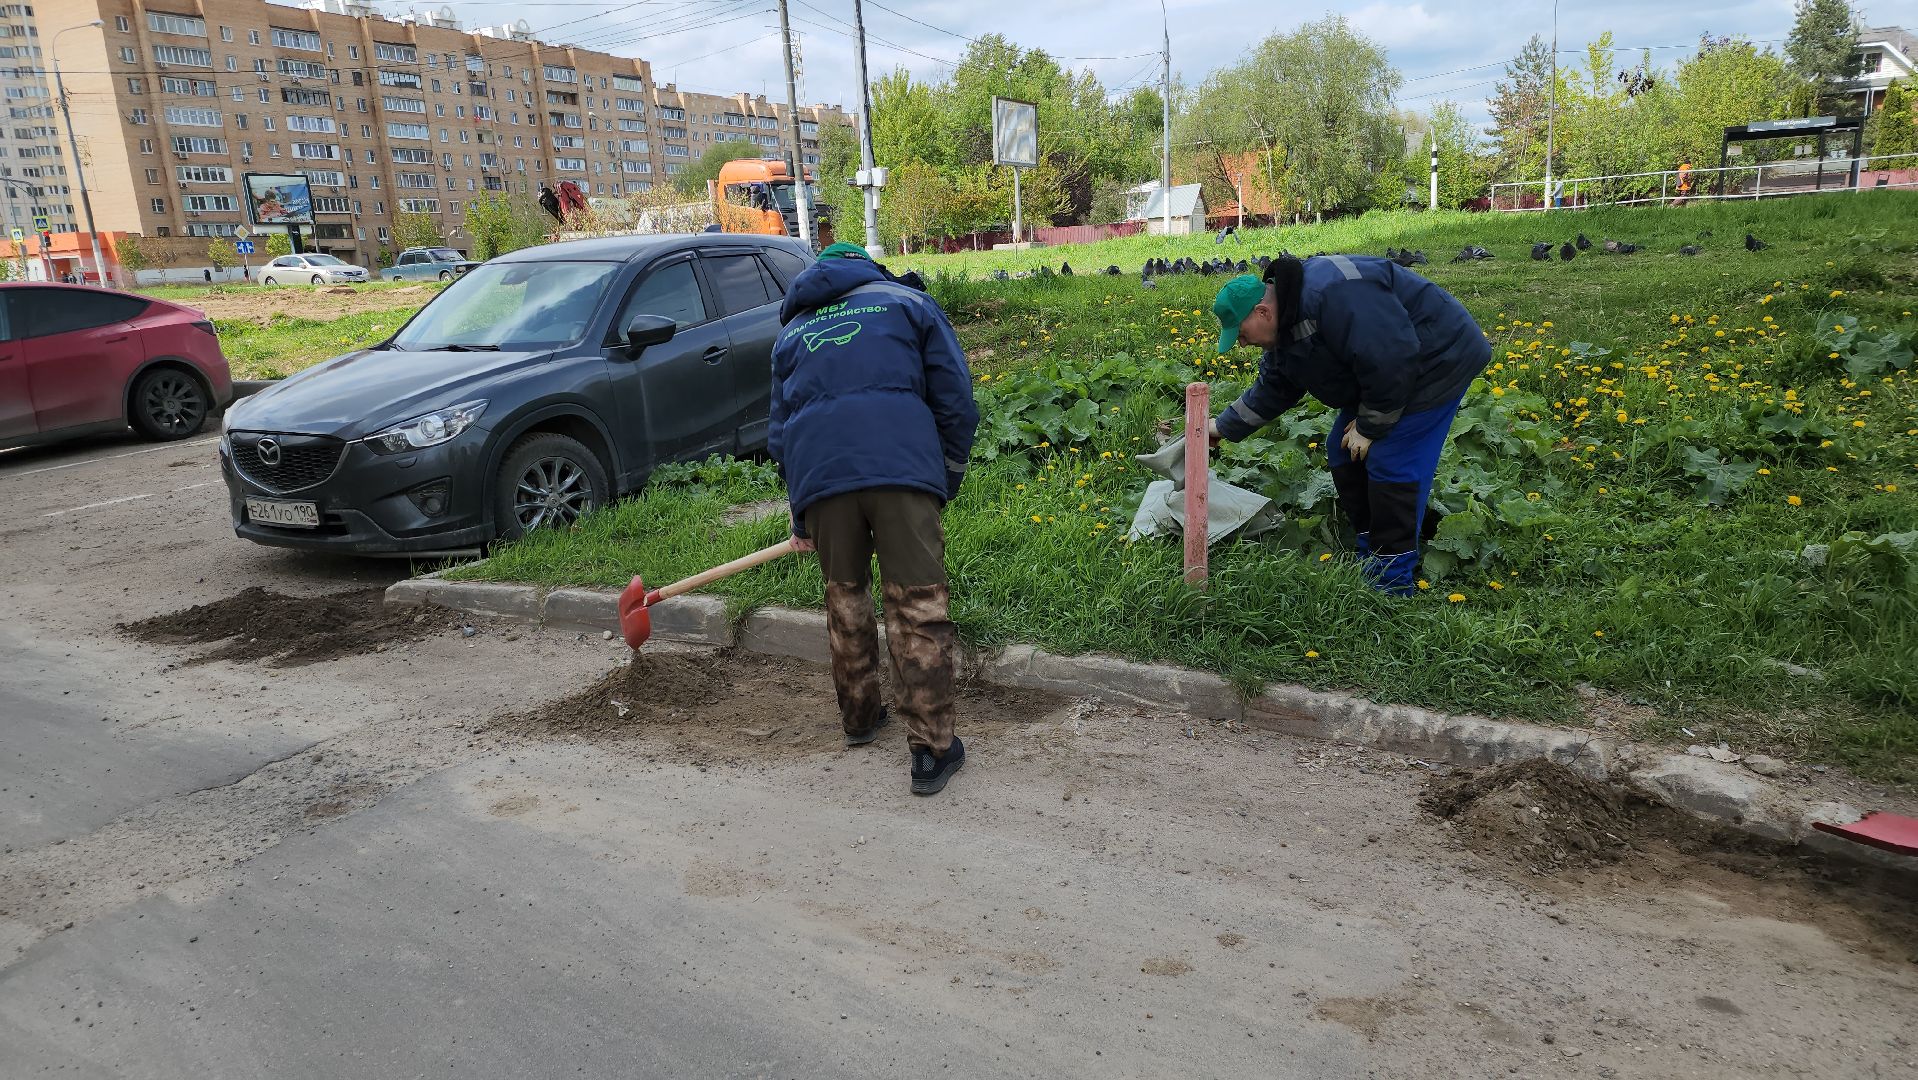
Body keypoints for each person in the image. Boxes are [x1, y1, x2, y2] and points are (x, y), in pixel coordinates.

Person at [769, 241, 979, 795]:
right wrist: (945, 476)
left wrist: (802, 511)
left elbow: (779, 432)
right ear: (868, 267)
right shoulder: (908, 303)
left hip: (823, 481)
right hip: (900, 472)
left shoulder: (792, 331)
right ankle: (932, 750)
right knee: (917, 603)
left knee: (846, 596)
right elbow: (956, 398)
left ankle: (859, 719)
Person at [1208, 255, 1490, 594]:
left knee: (1391, 459)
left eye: (1240, 334)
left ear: (1263, 312)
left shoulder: (1331, 294)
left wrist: (1370, 427)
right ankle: (1373, 549)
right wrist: (1221, 428)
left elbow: (1393, 356)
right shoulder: (1288, 318)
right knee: (1342, 451)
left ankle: (1390, 582)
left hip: (1436, 360)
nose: (1241, 344)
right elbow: (1276, 386)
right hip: (1387, 373)